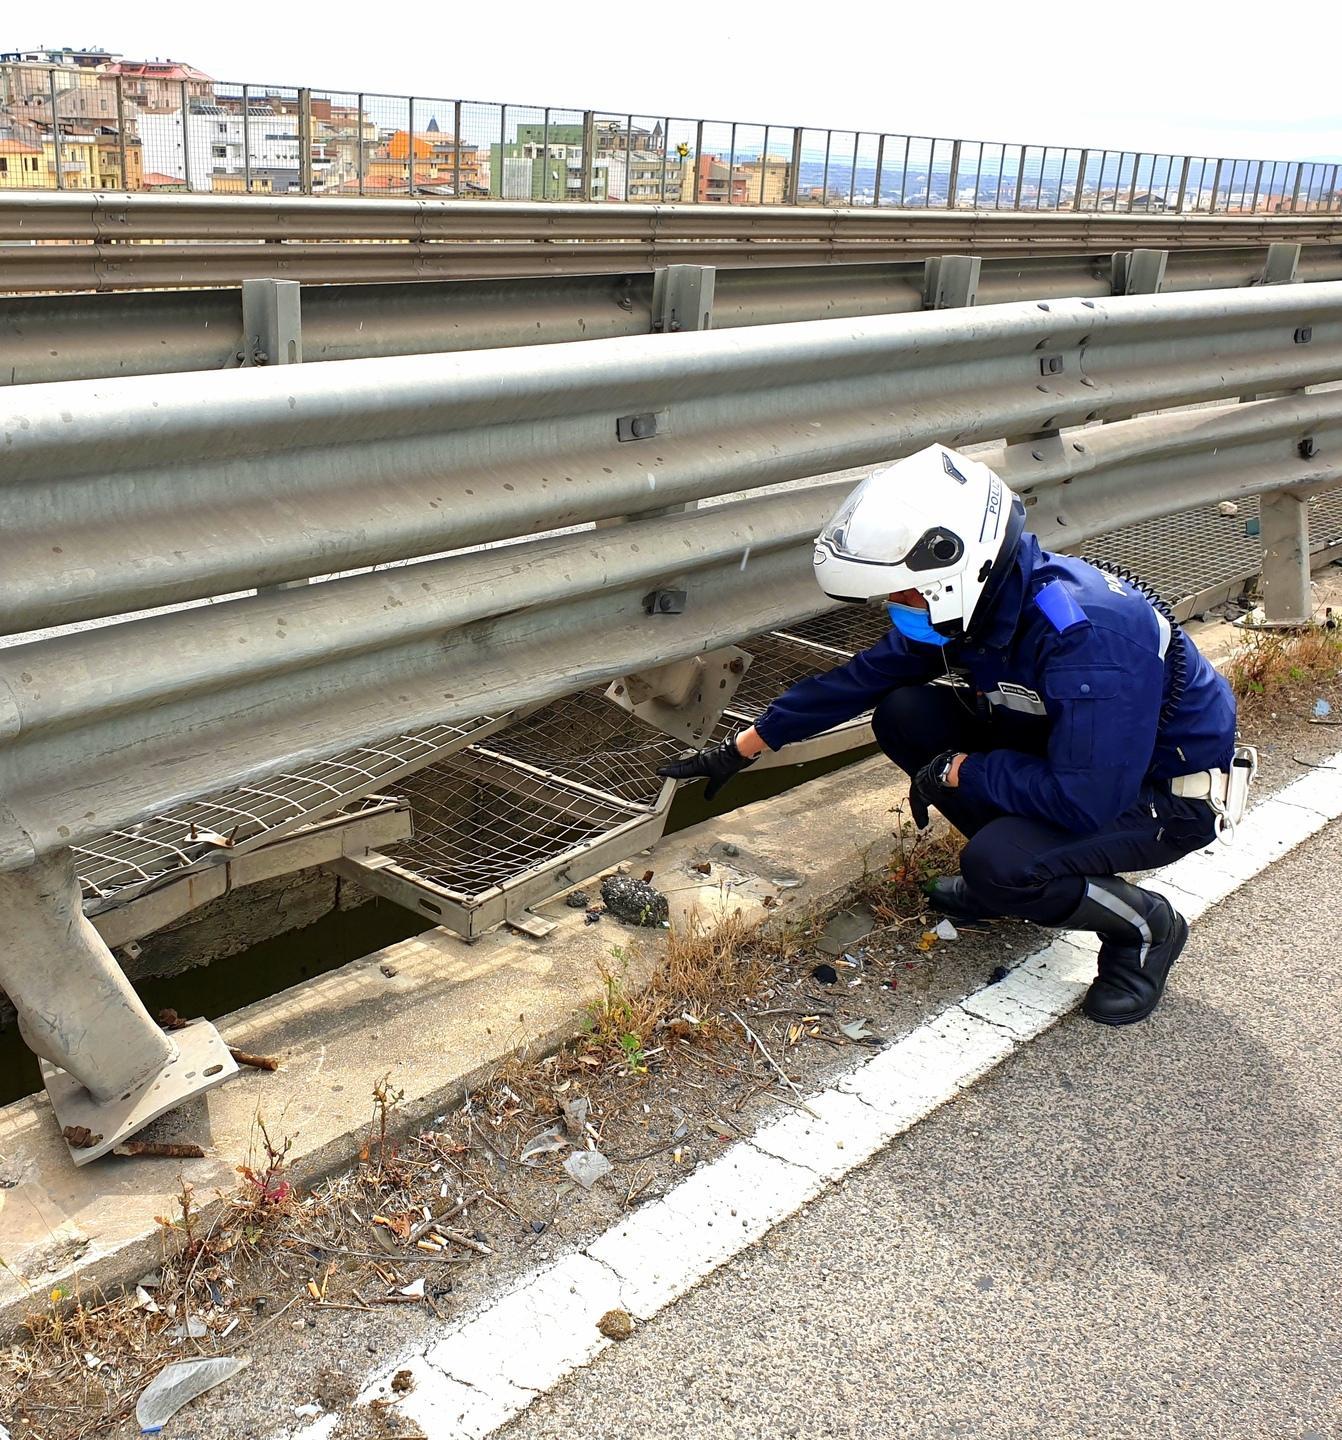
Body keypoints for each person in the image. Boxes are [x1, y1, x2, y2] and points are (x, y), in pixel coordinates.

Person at [658, 444, 1246, 1026]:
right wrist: (745, 747)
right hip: (1075, 758)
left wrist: (963, 770)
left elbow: (1086, 797)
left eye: (902, 592)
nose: (892, 604)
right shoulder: (984, 602)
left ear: (955, 569)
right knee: (906, 714)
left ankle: (1143, 927)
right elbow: (866, 677)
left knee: (999, 863)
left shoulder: (1086, 640)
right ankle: (1022, 877)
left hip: (1162, 794)